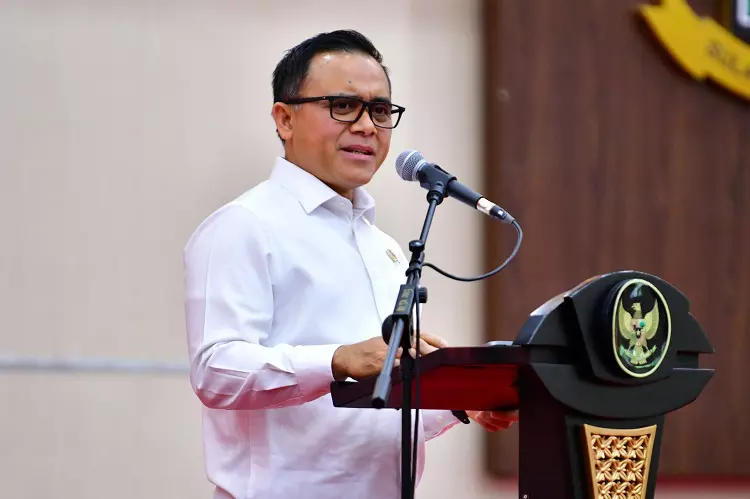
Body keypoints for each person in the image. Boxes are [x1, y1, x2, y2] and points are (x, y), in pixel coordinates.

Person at [183, 29, 518, 499]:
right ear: (284, 118)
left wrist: (460, 402)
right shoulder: (244, 225)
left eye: (380, 111)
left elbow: (372, 416)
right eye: (343, 106)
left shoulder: (384, 248)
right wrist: (337, 359)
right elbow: (216, 371)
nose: (366, 127)